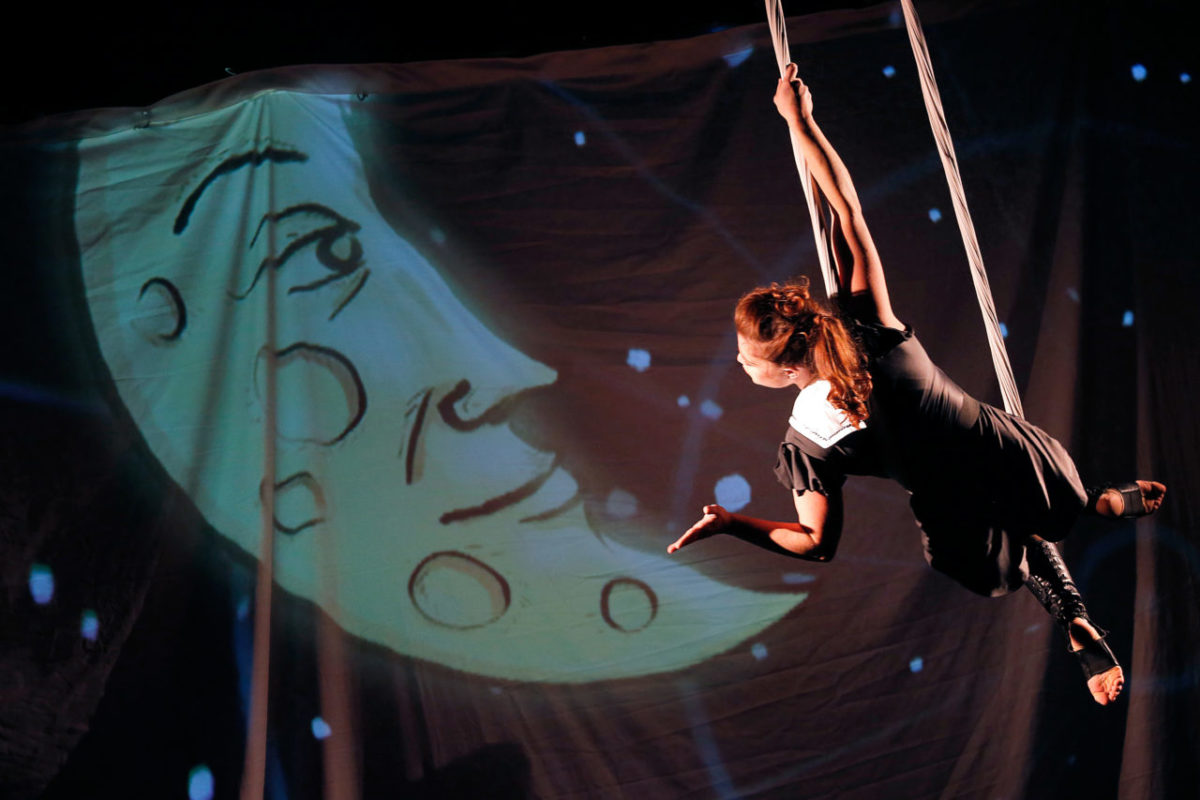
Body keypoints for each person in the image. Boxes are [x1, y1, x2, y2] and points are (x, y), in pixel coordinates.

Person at [666, 64, 1166, 705]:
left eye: (746, 357)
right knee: (1044, 505)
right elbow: (844, 206)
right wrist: (799, 120)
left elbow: (816, 545)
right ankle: (1089, 502)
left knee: (991, 558)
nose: (739, 364)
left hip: (953, 508)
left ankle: (1070, 599)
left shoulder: (810, 438)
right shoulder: (866, 322)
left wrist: (733, 523)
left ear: (788, 369)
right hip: (1012, 453)